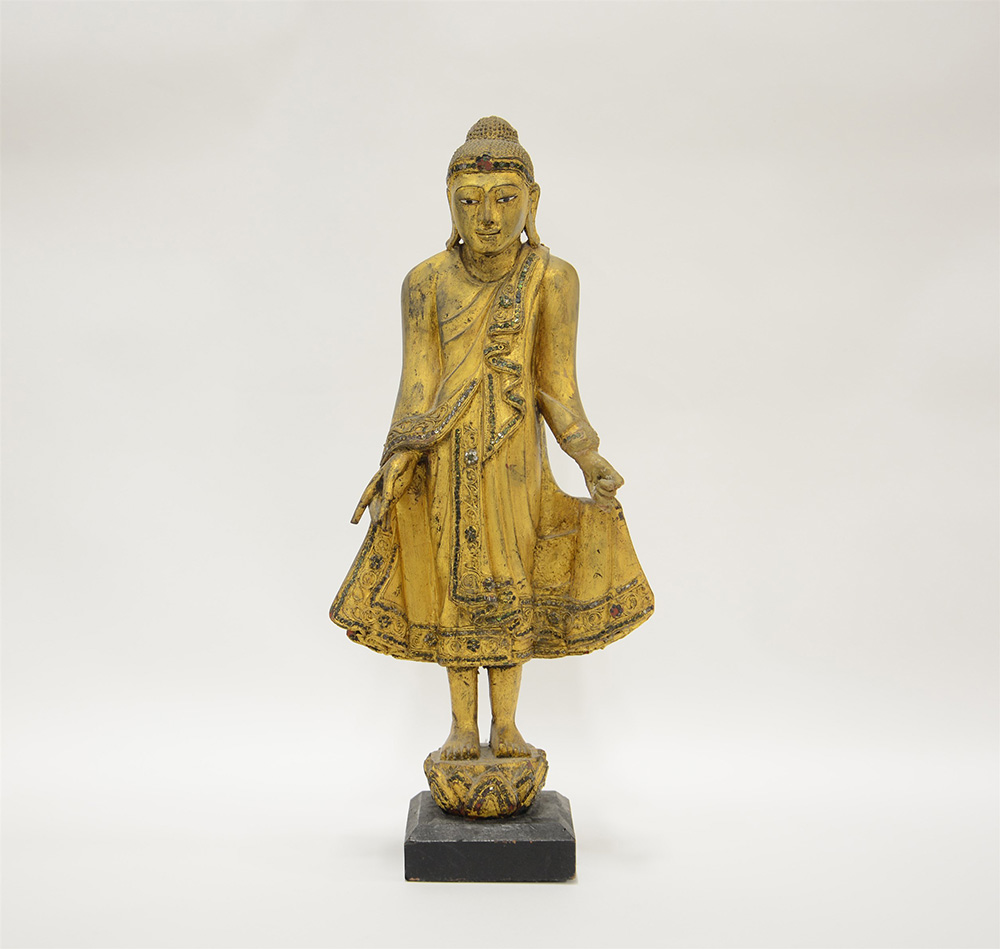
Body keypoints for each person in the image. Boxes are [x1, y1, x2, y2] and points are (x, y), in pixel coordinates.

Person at [331, 117, 653, 761]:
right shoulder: (425, 283)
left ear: (533, 200)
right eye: (470, 201)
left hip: (513, 459)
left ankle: (506, 727)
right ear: (449, 205)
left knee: (510, 579)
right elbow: (418, 382)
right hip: (446, 456)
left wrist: (587, 455)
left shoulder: (552, 279)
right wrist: (400, 456)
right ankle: (460, 728)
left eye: (506, 199)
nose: (488, 217)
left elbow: (557, 383)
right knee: (455, 585)